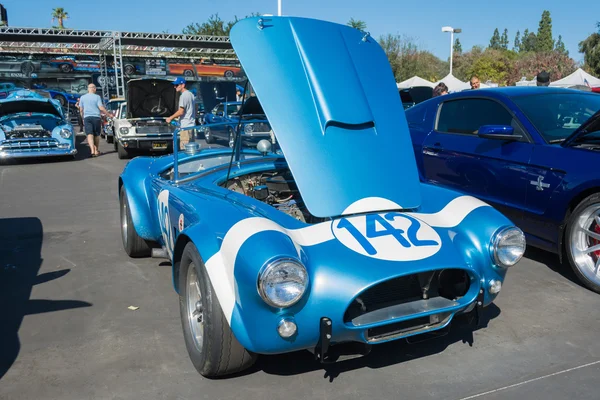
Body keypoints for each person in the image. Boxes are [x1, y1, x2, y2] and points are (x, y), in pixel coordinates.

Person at [79, 83, 112, 157]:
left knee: (89, 134)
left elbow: (81, 109)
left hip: (87, 117)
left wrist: (82, 118)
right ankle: (96, 150)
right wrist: (109, 114)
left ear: (88, 89)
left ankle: (92, 150)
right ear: (94, 89)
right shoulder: (97, 97)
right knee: (96, 135)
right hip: (96, 117)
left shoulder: (82, 97)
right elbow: (101, 108)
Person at [166, 77, 197, 150]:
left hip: (185, 127)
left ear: (183, 85)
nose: (174, 87)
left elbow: (181, 111)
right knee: (191, 149)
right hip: (191, 126)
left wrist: (170, 118)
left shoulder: (183, 96)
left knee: (184, 150)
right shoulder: (191, 94)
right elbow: (196, 107)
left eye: (176, 85)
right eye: (174, 85)